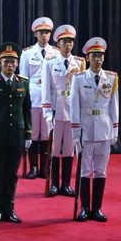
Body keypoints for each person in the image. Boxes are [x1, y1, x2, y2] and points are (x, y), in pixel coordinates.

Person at [0, 42, 32, 224]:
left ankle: (9, 209)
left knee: (11, 175)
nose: (9, 65)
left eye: (12, 62)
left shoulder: (23, 83)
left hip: (16, 136)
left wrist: (28, 134)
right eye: (6, 62)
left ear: (17, 64)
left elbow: (27, 110)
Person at [70, 37, 119, 222]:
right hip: (85, 129)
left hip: (104, 129)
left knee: (100, 170)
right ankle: (84, 207)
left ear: (103, 58)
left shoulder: (111, 78)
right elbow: (74, 106)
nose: (97, 59)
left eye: (100, 56)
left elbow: (114, 106)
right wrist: (75, 132)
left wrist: (114, 129)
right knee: (84, 169)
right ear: (87, 58)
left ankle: (97, 208)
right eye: (94, 56)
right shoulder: (79, 78)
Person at [41, 24, 85, 197]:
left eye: (70, 42)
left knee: (69, 149)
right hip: (56, 110)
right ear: (58, 44)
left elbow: (82, 90)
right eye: (64, 41)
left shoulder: (80, 63)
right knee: (53, 149)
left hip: (73, 110)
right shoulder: (50, 63)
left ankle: (66, 184)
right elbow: (46, 89)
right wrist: (46, 113)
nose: (67, 45)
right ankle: (54, 184)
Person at [19, 17, 59, 179]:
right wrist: (24, 99)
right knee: (34, 133)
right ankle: (34, 167)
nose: (44, 35)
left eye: (47, 32)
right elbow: (22, 77)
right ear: (35, 34)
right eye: (41, 32)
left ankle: (44, 167)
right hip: (34, 95)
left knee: (46, 133)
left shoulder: (55, 53)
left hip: (50, 96)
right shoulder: (28, 53)